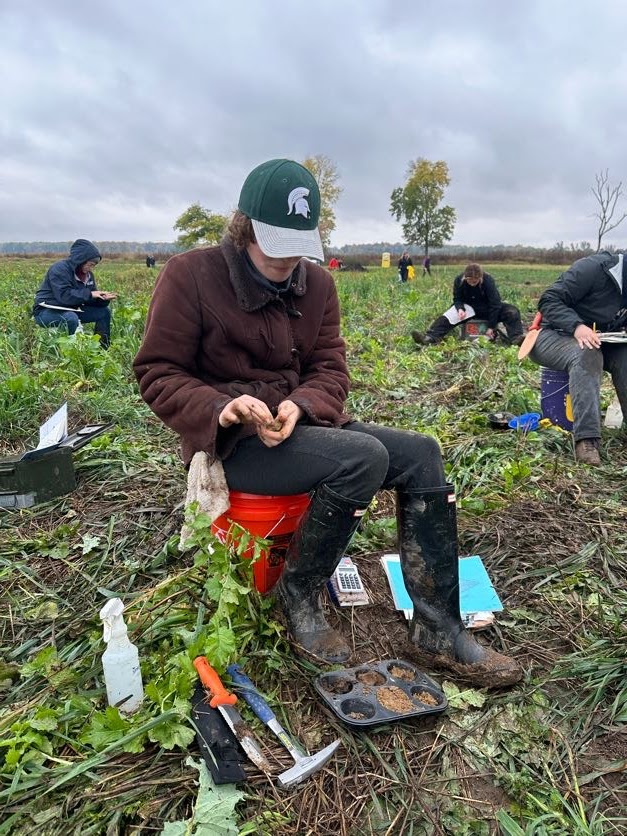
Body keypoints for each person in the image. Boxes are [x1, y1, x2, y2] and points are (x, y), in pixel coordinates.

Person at [133, 158, 521, 688]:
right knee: (363, 458)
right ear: (244, 228)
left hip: (304, 424)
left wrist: (302, 404)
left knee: (422, 453)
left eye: (298, 246)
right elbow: (158, 372)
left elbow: (329, 367)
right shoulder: (191, 276)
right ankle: (299, 595)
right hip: (233, 441)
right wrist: (222, 408)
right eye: (276, 245)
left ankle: (437, 628)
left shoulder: (316, 284)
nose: (288, 259)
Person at [529, 251, 627, 465]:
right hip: (553, 334)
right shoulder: (593, 269)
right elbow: (548, 300)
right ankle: (587, 440)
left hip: (604, 337)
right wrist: (577, 327)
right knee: (587, 354)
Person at [411, 263, 524, 346]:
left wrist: (490, 327)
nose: (472, 284)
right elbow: (457, 298)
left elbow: (495, 303)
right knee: (448, 316)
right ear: (465, 278)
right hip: (469, 307)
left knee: (512, 312)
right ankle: (430, 337)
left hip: (488, 307)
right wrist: (460, 309)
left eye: (475, 281)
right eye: (469, 281)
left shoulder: (488, 281)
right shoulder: (459, 280)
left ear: (480, 278)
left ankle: (516, 338)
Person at [32, 239, 116, 348]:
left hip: (73, 309)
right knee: (71, 318)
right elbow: (64, 296)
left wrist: (101, 299)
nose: (91, 268)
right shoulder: (60, 269)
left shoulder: (88, 276)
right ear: (81, 260)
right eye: (90, 265)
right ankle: (68, 351)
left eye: (93, 266)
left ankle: (102, 348)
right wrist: (90, 294)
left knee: (104, 312)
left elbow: (88, 298)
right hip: (46, 311)